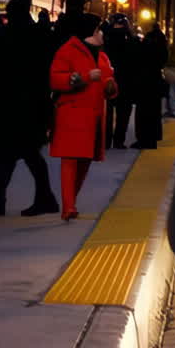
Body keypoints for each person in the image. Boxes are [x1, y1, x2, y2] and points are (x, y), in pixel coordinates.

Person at [0, 0, 58, 217]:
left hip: (16, 105)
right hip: (30, 106)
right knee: (21, 152)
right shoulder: (38, 35)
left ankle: (2, 199)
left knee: (19, 152)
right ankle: (1, 198)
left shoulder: (13, 36)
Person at [49, 13, 117, 221]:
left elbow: (110, 83)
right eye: (98, 30)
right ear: (89, 33)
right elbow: (56, 79)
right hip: (72, 114)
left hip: (94, 117)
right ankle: (68, 207)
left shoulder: (102, 56)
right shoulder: (67, 51)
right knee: (70, 160)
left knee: (85, 160)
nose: (101, 33)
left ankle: (72, 202)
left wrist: (110, 86)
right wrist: (85, 78)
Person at [103, 14, 138, 149]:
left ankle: (106, 141)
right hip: (127, 81)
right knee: (123, 114)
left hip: (109, 80)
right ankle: (119, 141)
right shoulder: (132, 40)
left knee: (108, 112)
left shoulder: (106, 39)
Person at [132, 23, 168, 149]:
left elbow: (138, 57)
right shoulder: (162, 44)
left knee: (143, 112)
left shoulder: (147, 44)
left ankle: (143, 139)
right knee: (154, 112)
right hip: (155, 83)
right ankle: (152, 139)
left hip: (145, 83)